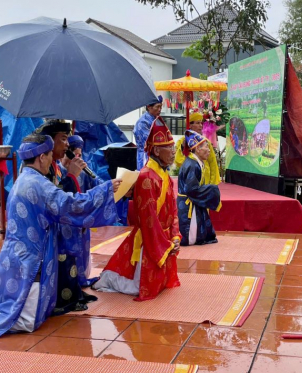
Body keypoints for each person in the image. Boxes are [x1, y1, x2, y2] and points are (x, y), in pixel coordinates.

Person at [0, 133, 121, 338]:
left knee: (19, 305)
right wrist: (105, 191)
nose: (52, 159)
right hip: (31, 260)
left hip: (18, 254)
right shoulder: (39, 184)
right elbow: (70, 205)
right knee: (27, 320)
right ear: (41, 157)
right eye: (50, 155)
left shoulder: (25, 178)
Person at [94, 117, 181, 301]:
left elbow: (173, 210)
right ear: (156, 150)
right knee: (138, 286)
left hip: (163, 238)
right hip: (151, 239)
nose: (174, 153)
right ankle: (110, 280)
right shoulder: (147, 177)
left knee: (160, 285)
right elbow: (148, 220)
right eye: (169, 148)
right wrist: (165, 246)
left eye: (173, 147)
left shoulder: (164, 175)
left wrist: (174, 236)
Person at [53, 134, 103, 314]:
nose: (77, 158)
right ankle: (69, 284)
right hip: (64, 220)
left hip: (81, 217)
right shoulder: (57, 170)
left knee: (83, 248)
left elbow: (95, 185)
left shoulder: (83, 169)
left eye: (80, 154)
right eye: (73, 154)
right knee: (67, 253)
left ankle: (81, 278)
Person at [177, 131, 221, 246]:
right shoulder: (192, 165)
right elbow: (192, 190)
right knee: (191, 238)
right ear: (197, 149)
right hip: (188, 204)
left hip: (192, 201)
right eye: (206, 147)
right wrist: (212, 190)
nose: (209, 151)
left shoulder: (196, 162)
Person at [174, 110, 220, 185]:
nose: (201, 125)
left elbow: (212, 163)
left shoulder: (205, 141)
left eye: (201, 123)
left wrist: (212, 184)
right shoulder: (181, 141)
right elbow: (178, 161)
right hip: (189, 180)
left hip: (205, 179)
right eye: (198, 123)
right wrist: (183, 147)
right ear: (190, 125)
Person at [133, 96, 163, 169]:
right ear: (149, 107)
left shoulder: (157, 120)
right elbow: (148, 143)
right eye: (157, 107)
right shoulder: (143, 122)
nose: (159, 110)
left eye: (161, 107)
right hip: (146, 157)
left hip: (157, 156)